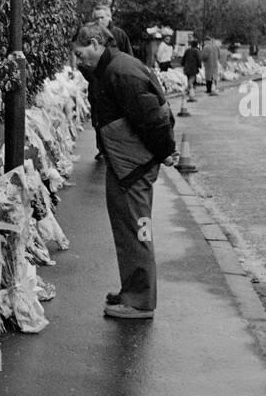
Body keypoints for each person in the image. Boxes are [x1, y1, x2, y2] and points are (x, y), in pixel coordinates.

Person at [73, 22, 179, 320]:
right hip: (126, 164)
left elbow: (152, 117)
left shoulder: (120, 71)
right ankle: (132, 290)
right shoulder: (112, 68)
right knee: (128, 230)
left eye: (80, 54)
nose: (78, 61)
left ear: (95, 43)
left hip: (133, 166)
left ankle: (140, 301)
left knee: (137, 231)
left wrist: (166, 151)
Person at [179, 39, 201, 115]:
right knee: (191, 79)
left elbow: (183, 58)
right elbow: (198, 59)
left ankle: (189, 91)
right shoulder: (196, 51)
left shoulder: (187, 50)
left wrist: (182, 64)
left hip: (187, 68)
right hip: (193, 68)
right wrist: (200, 65)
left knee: (189, 78)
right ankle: (191, 93)